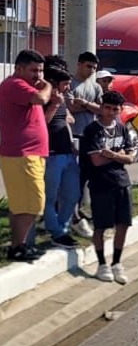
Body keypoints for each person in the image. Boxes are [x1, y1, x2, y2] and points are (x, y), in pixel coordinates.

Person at [0, 49, 57, 262]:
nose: (39, 76)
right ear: (19, 68)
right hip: (23, 154)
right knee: (34, 203)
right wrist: (49, 86)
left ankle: (18, 247)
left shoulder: (23, 86)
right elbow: (42, 99)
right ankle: (18, 246)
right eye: (34, 70)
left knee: (21, 205)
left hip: (28, 154)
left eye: (41, 71)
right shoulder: (15, 85)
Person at [82, 91, 138, 284]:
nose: (111, 112)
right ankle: (101, 264)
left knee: (123, 225)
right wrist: (119, 154)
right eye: (108, 107)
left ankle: (116, 263)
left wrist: (112, 154)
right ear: (101, 107)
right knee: (101, 226)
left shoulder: (123, 129)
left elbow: (131, 157)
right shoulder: (92, 130)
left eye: (115, 109)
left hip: (122, 182)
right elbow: (96, 160)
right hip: (100, 184)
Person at [42, 64, 81, 249]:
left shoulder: (62, 99)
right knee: (50, 197)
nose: (68, 88)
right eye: (66, 84)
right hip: (51, 155)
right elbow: (41, 124)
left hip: (68, 153)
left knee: (73, 194)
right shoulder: (44, 99)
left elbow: (66, 120)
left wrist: (72, 143)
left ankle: (62, 227)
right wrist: (55, 104)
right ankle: (57, 233)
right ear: (54, 83)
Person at [68, 51, 103, 239]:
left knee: (87, 177)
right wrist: (90, 106)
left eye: (94, 68)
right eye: (88, 66)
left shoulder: (96, 87)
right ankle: (70, 213)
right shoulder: (71, 83)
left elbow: (101, 109)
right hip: (74, 136)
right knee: (75, 178)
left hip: (91, 138)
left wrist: (85, 104)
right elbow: (71, 107)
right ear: (80, 64)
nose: (91, 70)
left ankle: (79, 210)